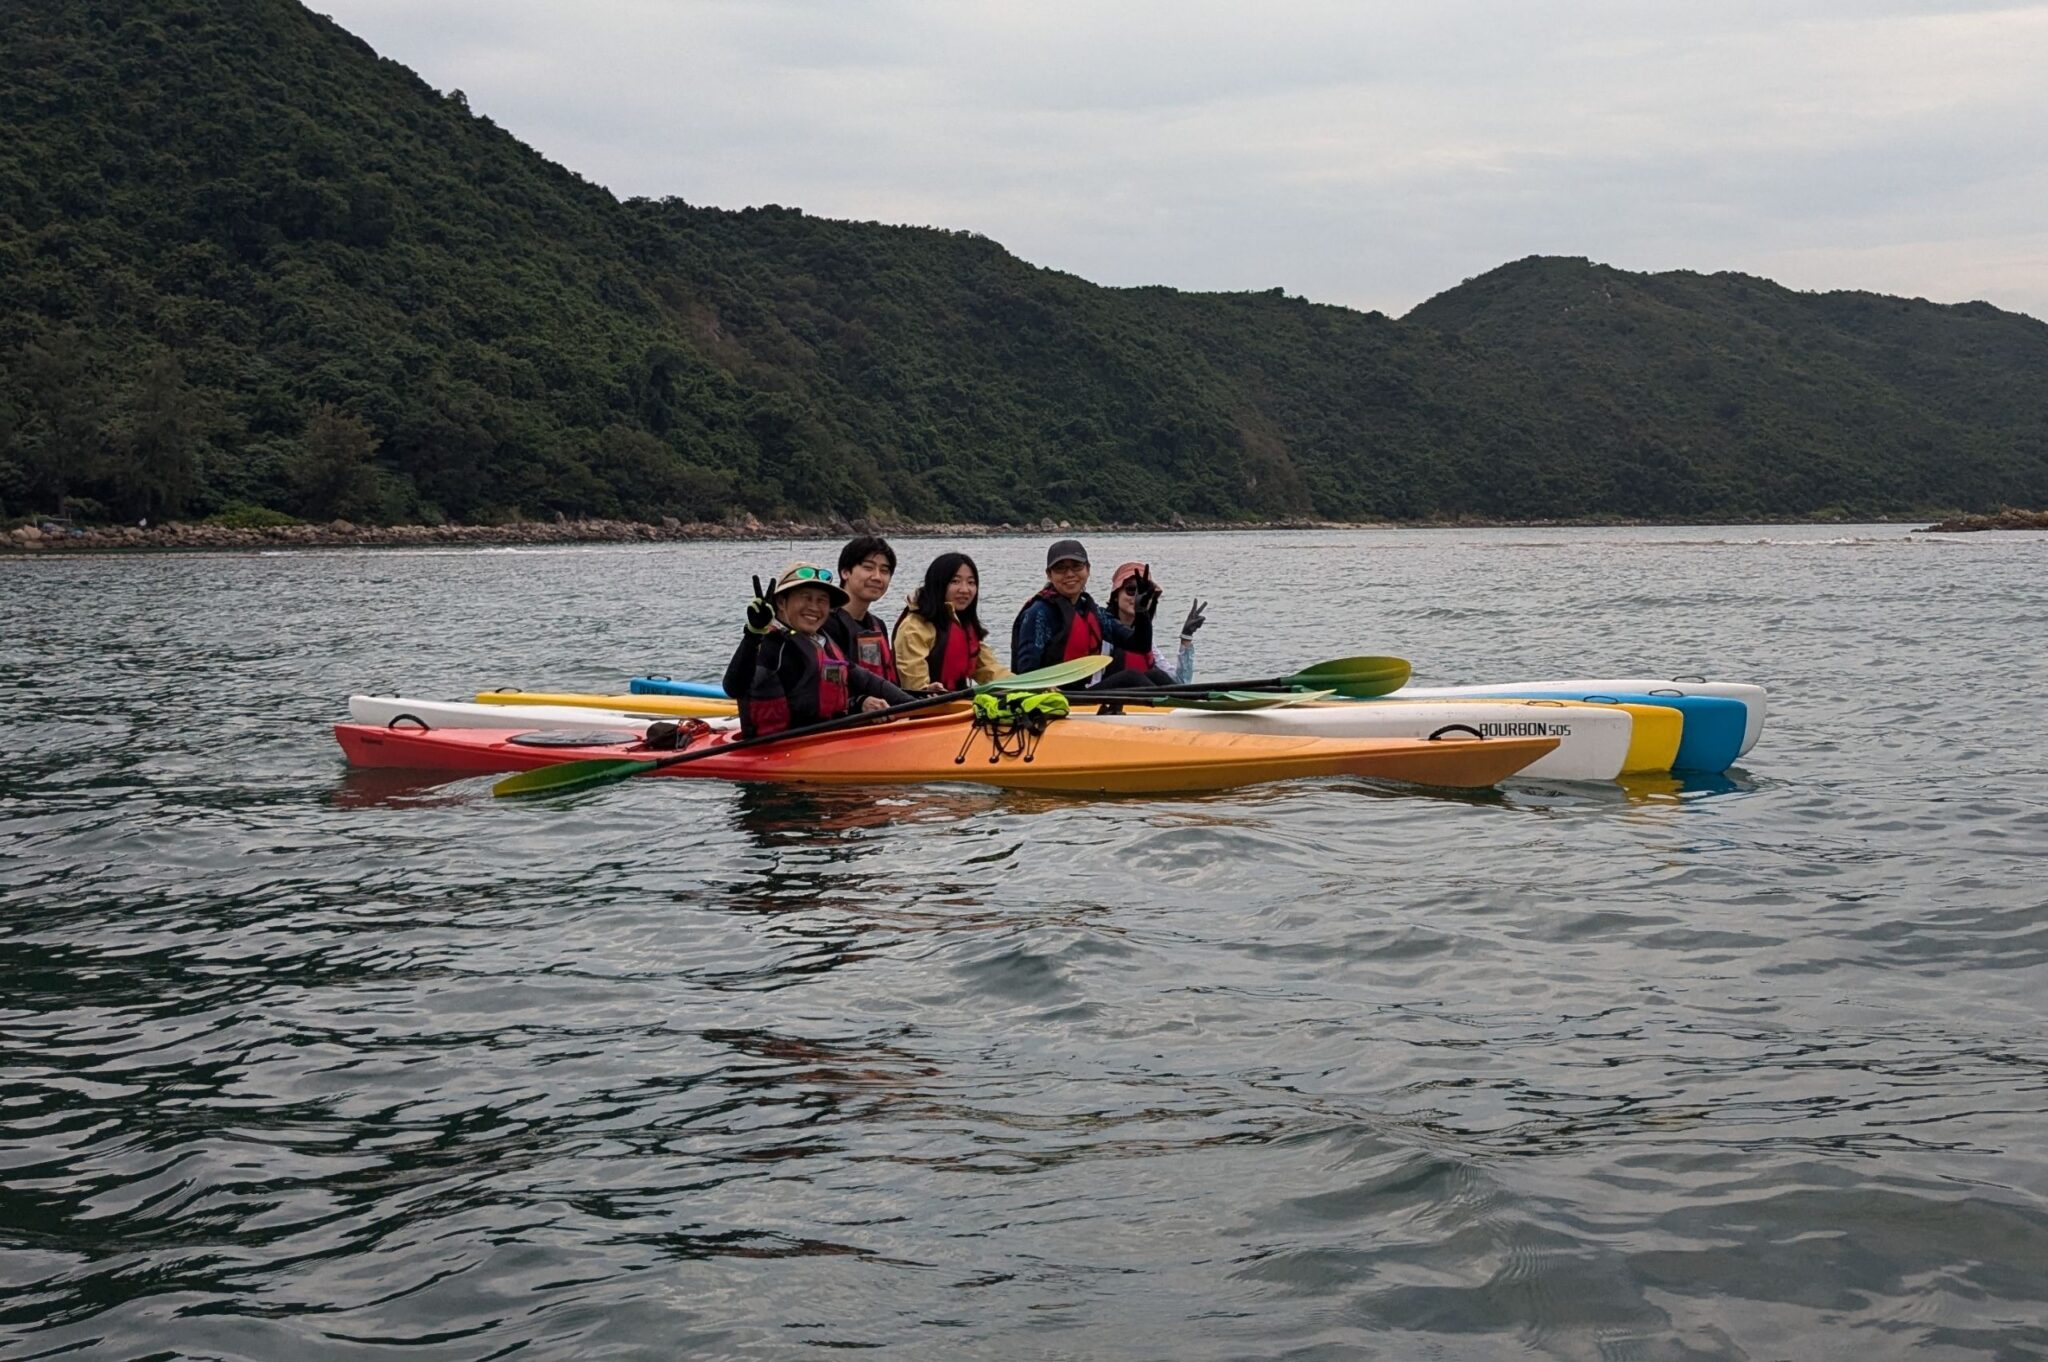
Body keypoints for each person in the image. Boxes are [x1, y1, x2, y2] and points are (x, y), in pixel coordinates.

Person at [722, 563, 912, 739]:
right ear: (781, 602)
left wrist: (918, 705)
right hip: (777, 752)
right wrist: (753, 635)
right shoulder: (771, 644)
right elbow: (734, 687)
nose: (814, 607)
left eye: (822, 600)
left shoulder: (821, 639)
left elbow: (866, 680)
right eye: (806, 597)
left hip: (823, 741)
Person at [1010, 539, 1158, 688]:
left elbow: (1140, 645)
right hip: (1053, 697)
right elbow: (1026, 672)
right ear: (1049, 574)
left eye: (1076, 566)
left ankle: (1179, 706)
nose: (1069, 574)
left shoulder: (1090, 610)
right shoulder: (1039, 613)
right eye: (1060, 568)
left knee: (1155, 675)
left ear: (1087, 569)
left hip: (1080, 693)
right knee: (1131, 677)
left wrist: (1141, 611)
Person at [893, 551, 1010, 692]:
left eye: (971, 582)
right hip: (925, 707)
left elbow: (991, 670)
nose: (965, 590)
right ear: (938, 584)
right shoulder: (913, 628)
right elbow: (914, 684)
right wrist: (927, 690)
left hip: (956, 701)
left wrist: (1024, 685)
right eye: (955, 581)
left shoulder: (965, 626)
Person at [1104, 561, 1205, 686]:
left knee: (1155, 674)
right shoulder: (1104, 628)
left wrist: (1186, 637)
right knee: (1133, 676)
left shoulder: (1145, 640)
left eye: (1144, 593)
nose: (1136, 597)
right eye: (1131, 590)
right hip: (1104, 697)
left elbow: (1181, 681)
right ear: (1115, 596)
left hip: (1138, 699)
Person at [820, 535, 900, 686]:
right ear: (845, 572)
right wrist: (860, 702)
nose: (877, 577)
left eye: (884, 571)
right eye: (868, 568)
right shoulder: (825, 624)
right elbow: (829, 681)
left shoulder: (877, 625)